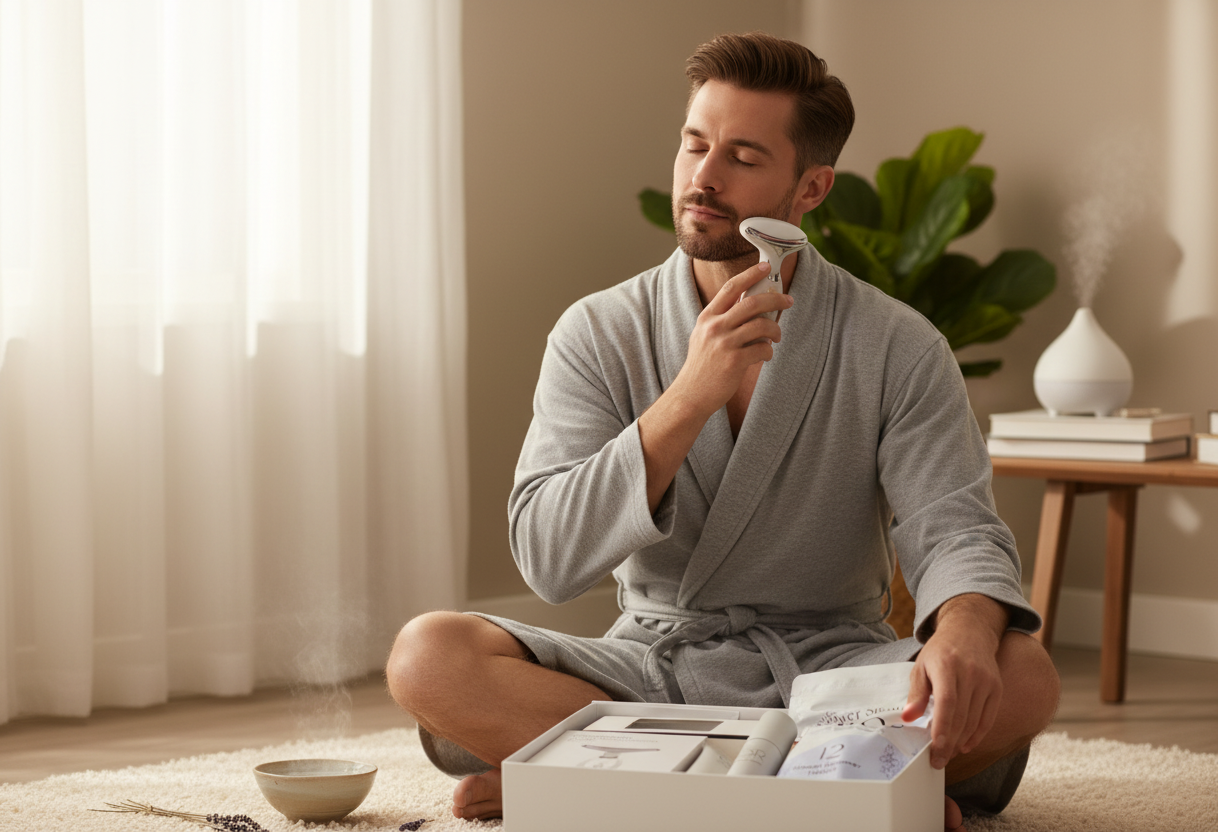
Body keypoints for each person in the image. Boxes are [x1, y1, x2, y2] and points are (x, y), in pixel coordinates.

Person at [386, 32, 1059, 831]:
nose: (703, 176)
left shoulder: (898, 344)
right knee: (429, 657)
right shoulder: (598, 331)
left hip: (833, 670)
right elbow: (548, 560)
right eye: (694, 144)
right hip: (651, 666)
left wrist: (965, 632)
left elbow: (956, 527)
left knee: (1022, 673)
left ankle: (615, 780)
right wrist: (687, 398)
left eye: (742, 157)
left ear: (811, 187)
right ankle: (841, 787)